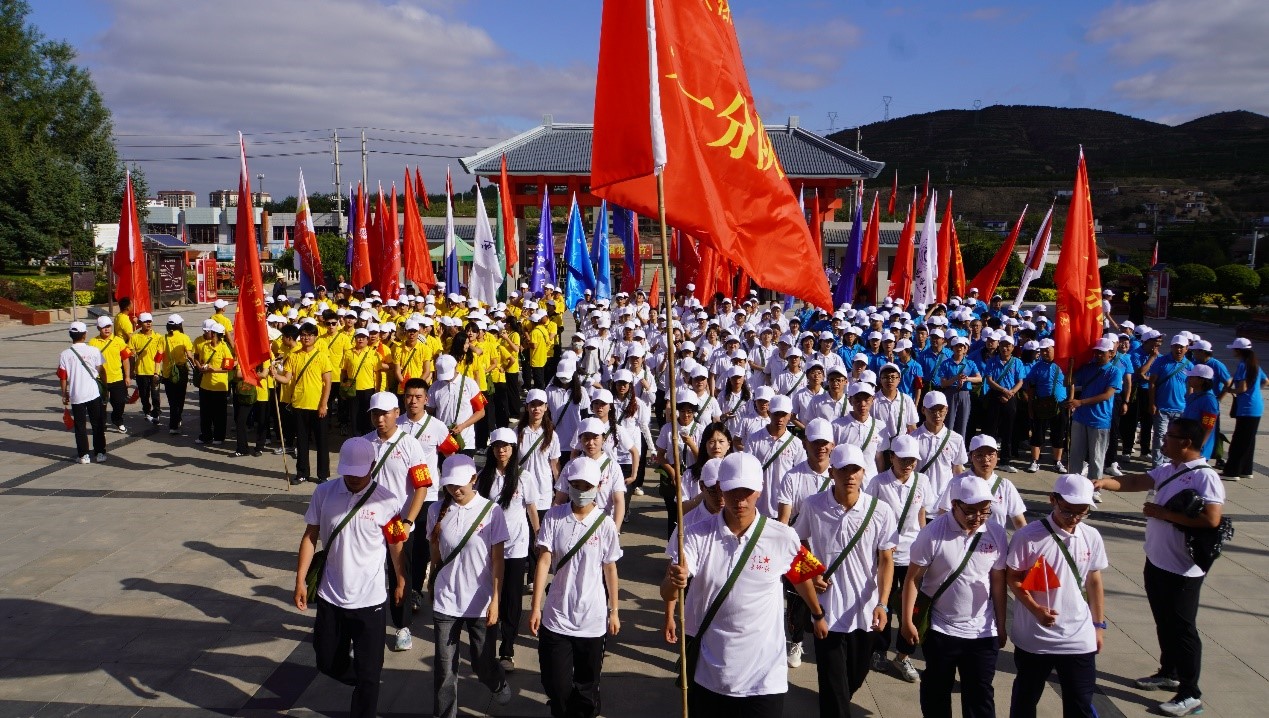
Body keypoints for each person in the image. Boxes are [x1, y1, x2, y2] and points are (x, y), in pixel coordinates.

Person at [662, 451, 829, 717]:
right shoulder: (694, 535)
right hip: (711, 672)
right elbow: (667, 589)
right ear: (720, 489)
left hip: (764, 678)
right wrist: (675, 580)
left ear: (760, 490)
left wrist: (817, 614)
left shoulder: (783, 536)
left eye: (747, 491)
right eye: (731, 491)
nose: (740, 500)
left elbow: (801, 577)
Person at [1094, 418, 1225, 717]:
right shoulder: (1170, 469)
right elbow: (1138, 481)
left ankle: (1190, 694)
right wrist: (1104, 482)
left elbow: (1211, 519)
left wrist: (1164, 514)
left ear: (1186, 443)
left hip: (1182, 569)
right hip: (1157, 561)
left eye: (1169, 437)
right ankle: (1170, 671)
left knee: (1183, 629)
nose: (1163, 441)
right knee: (1164, 621)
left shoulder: (1204, 477)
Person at [294, 436, 408, 718]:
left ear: (372, 466)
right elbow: (310, 536)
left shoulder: (388, 501)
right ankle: (363, 681)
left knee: (370, 675)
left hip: (370, 601)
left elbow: (396, 544)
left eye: (359, 473)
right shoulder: (324, 493)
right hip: (331, 596)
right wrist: (299, 579)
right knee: (326, 661)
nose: (353, 479)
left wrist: (401, 579)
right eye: (348, 473)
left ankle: (367, 686)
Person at [795, 443, 898, 718]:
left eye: (855, 470)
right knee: (833, 687)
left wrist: (883, 603)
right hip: (826, 610)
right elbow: (797, 543)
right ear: (832, 472)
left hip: (864, 612)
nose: (850, 476)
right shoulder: (813, 506)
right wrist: (812, 571)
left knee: (852, 677)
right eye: (843, 470)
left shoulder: (880, 511)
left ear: (864, 472)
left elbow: (886, 559)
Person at [901, 475, 1009, 718]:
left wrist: (1001, 625)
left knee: (980, 694)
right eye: (970, 511)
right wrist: (907, 622)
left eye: (985, 511)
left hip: (983, 631)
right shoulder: (932, 534)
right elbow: (913, 579)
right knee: (937, 690)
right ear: (954, 505)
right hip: (941, 629)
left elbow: (998, 582)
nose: (978, 518)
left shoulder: (996, 534)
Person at [1005, 474, 1108, 718]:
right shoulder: (1028, 537)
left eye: (1081, 512)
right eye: (1067, 511)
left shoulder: (1091, 536)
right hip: (1036, 638)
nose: (1074, 518)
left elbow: (1094, 582)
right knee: (1026, 699)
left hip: (1078, 636)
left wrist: (1098, 625)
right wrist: (1035, 610)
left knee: (1080, 702)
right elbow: (1013, 578)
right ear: (1053, 500)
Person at [529, 455, 622, 718]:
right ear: (568, 484)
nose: (581, 491)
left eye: (586, 486)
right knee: (555, 685)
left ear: (597, 487)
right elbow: (544, 560)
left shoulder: (604, 525)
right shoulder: (555, 517)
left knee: (586, 687)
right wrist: (536, 607)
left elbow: (610, 568)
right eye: (576, 485)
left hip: (591, 620)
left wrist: (614, 610)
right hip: (557, 615)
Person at [426, 453, 514, 717]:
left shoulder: (491, 511)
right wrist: (432, 580)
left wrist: (496, 600)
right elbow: (435, 550)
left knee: (481, 663)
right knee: (445, 669)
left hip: (480, 601)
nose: (455, 490)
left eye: (460, 484)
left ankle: (496, 682)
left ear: (474, 479)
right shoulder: (435, 510)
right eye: (450, 485)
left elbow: (498, 560)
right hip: (447, 600)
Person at [359, 391, 432, 652]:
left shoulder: (409, 444)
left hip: (397, 521)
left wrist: (409, 520)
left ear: (396, 414)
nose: (379, 419)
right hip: (368, 521)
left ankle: (403, 627)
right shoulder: (364, 443)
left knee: (401, 573)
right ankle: (366, 628)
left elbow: (421, 485)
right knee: (368, 573)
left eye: (384, 413)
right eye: (374, 414)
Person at [868, 434, 931, 682]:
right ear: (891, 457)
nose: (908, 465)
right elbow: (871, 515)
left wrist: (925, 543)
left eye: (913, 460)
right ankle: (879, 649)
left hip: (913, 554)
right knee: (883, 602)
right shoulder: (878, 483)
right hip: (887, 554)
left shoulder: (922, 482)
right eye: (903, 459)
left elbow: (922, 514)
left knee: (911, 608)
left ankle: (903, 656)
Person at [477, 427, 540, 672]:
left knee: (512, 600)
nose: (501, 450)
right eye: (497, 446)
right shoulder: (483, 476)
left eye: (506, 446)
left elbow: (532, 509)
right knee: (492, 597)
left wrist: (539, 536)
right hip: (489, 547)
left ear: (513, 450)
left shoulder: (525, 477)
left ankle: (507, 649)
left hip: (516, 547)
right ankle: (488, 646)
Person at [274, 322, 334, 485]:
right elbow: (287, 379)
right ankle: (302, 473)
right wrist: (274, 375)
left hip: (317, 406)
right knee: (301, 441)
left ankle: (323, 474)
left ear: (315, 337)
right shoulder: (294, 356)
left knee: (321, 442)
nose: (306, 338)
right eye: (304, 335)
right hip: (299, 404)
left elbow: (327, 382)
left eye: (310, 335)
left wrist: (323, 404)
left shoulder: (322, 356)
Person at [1066, 337, 1124, 493]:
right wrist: (1071, 365)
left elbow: (1107, 395)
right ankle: (1073, 486)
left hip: (1099, 420)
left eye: (1102, 352)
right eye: (1096, 352)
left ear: (1111, 353)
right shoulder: (1088, 368)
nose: (1098, 355)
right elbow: (1069, 381)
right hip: (1080, 418)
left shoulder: (1114, 372)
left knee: (1096, 458)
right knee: (1076, 455)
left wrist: (1081, 402)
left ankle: (1094, 489)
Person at [935, 435, 1027, 532]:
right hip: (964, 544)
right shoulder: (957, 482)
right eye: (979, 455)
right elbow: (943, 515)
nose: (986, 459)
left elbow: (1019, 522)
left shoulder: (1005, 486)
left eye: (991, 454)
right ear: (970, 457)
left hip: (995, 544)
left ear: (997, 456)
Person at [58, 321, 107, 463]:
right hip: (93, 393)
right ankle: (100, 453)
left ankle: (83, 455)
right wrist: (105, 385)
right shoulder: (94, 350)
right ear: (85, 335)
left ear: (70, 335)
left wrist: (64, 393)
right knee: (97, 424)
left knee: (80, 426)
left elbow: (63, 376)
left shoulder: (65, 354)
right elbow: (100, 370)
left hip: (76, 394)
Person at [1145, 336, 1194, 467]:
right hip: (1162, 407)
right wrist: (1152, 403)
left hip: (1180, 408)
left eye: (1181, 347)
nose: (1178, 349)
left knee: (1176, 439)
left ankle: (1170, 463)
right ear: (1171, 347)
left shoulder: (1189, 366)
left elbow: (1191, 387)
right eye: (1176, 346)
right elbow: (1152, 383)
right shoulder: (1161, 362)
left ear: (1186, 349)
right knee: (1160, 437)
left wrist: (1189, 406)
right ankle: (1157, 465)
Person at [910, 391, 968, 499]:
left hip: (944, 503)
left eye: (941, 410)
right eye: (932, 410)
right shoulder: (912, 439)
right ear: (923, 410)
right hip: (919, 501)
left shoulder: (956, 439)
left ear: (946, 410)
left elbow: (957, 471)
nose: (937, 414)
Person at [1223, 338, 1266, 480]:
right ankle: (1247, 470)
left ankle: (1232, 471)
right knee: (1249, 439)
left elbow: (1242, 388)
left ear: (1238, 351)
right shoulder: (1255, 365)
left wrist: (1231, 391)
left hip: (1246, 407)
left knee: (1239, 440)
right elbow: (1265, 381)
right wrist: (1256, 392)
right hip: (1256, 406)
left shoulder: (1243, 365)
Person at [89, 315, 132, 434]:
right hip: (100, 380)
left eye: (108, 326)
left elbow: (126, 359)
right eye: (103, 327)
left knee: (119, 403)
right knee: (101, 405)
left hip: (117, 378)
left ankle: (118, 420)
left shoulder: (119, 341)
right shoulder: (93, 342)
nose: (106, 329)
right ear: (98, 328)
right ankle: (101, 424)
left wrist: (127, 376)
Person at [194, 322, 233, 446]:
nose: (207, 333)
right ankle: (206, 435)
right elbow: (198, 358)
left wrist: (213, 369)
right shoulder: (205, 346)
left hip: (219, 386)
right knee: (205, 413)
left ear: (215, 334)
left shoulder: (224, 348)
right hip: (205, 385)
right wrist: (200, 367)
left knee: (219, 414)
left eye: (210, 332)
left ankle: (219, 436)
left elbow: (228, 367)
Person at [159, 315, 194, 435]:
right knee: (180, 398)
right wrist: (196, 367)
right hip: (181, 372)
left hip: (168, 373)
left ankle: (174, 424)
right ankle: (177, 420)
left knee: (172, 400)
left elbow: (158, 357)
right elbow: (189, 356)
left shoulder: (163, 338)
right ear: (180, 325)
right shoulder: (185, 338)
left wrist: (155, 372)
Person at [128, 312, 163, 425]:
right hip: (141, 371)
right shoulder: (135, 337)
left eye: (150, 321)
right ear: (140, 323)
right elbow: (132, 356)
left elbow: (161, 354)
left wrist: (158, 371)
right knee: (144, 395)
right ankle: (147, 411)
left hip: (154, 372)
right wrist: (132, 370)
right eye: (145, 322)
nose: (148, 324)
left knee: (155, 395)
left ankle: (156, 413)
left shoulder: (158, 337)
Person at [1180, 365, 1220, 460]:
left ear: (1201, 380)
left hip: (1198, 451)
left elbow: (1208, 426)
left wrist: (1199, 445)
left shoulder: (1209, 400)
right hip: (1188, 444)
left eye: (1192, 377)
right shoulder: (1194, 395)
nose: (1189, 379)